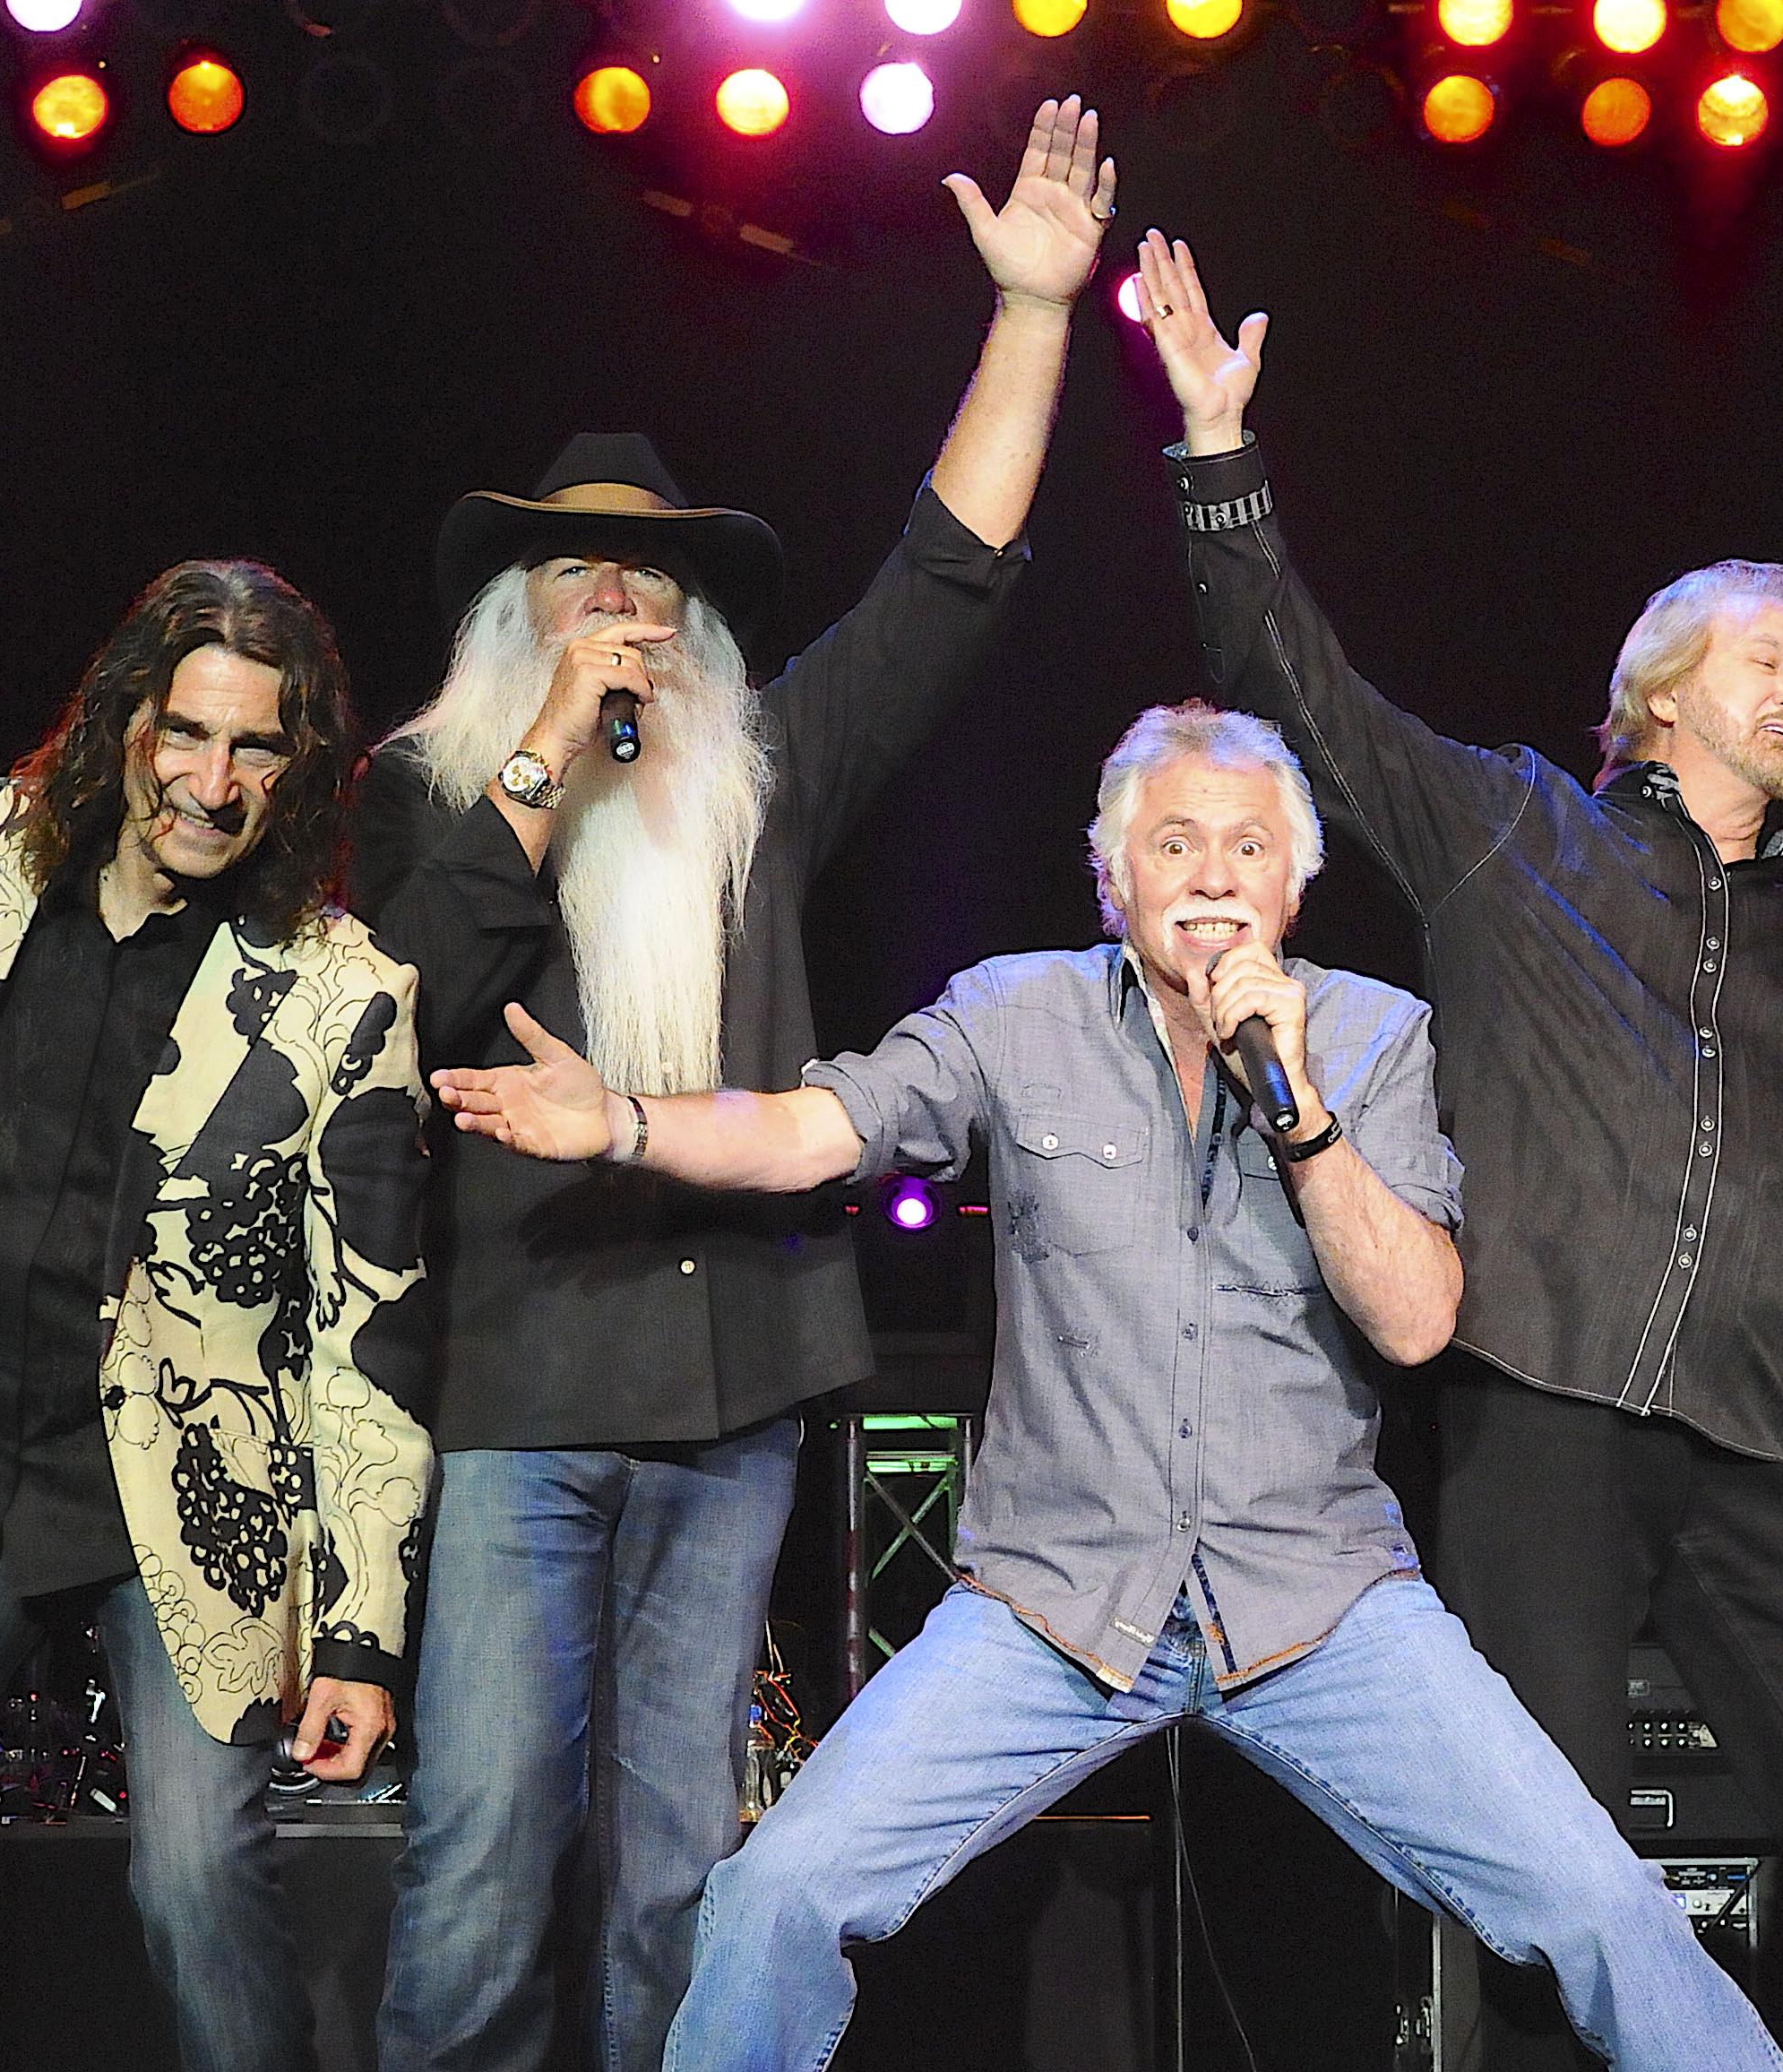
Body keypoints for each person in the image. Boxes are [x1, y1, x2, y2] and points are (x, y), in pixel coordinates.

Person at [428, 701, 1783, 2072]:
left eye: (1247, 846)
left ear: (1291, 883)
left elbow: (1418, 1319)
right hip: (1053, 1604)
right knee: (776, 1892)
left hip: (1318, 1602)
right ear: (1114, 875)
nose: (1211, 874)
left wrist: (1299, 1107)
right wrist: (621, 1123)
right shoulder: (1013, 1014)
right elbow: (809, 1132)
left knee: (1603, 1904)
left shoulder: (1372, 1037)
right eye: (1176, 842)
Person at [1130, 229, 1783, 2068]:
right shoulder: (1513, 833)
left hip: (1744, 1437)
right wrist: (1216, 457)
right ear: (1660, 688)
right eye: (1764, 656)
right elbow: (1306, 695)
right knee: (1544, 1842)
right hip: (1537, 1399)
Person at [349, 97, 1117, 2072]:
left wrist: (1031, 313)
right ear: (515, 629)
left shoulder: (759, 783)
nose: (624, 612)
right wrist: (545, 765)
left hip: (732, 1400)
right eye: (581, 587)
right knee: (480, 1848)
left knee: (683, 1860)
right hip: (521, 1391)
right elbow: (420, 997)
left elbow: (947, 576)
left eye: (651, 592)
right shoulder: (436, 800)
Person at [0, 560, 433, 2072]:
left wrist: (360, 1637)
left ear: (296, 766)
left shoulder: (341, 992)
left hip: (183, 1509)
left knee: (197, 1889)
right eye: (185, 732)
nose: (210, 780)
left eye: (254, 749)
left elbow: (369, 1339)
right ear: (123, 720)